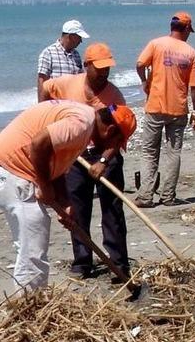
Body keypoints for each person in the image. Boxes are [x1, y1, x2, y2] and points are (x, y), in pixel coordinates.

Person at [0, 100, 136, 290]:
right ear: (110, 130)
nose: (110, 150)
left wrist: (65, 203)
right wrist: (44, 185)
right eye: (115, 143)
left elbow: (53, 161)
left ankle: (33, 303)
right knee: (32, 251)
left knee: (32, 246)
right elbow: (38, 145)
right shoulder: (81, 124)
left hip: (9, 170)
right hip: (12, 171)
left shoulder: (84, 121)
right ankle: (29, 309)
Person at [40, 43, 130, 279]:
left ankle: (118, 264)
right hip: (74, 156)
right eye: (99, 68)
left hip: (105, 153)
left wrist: (102, 160)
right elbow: (45, 88)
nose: (104, 73)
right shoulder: (67, 84)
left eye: (107, 69)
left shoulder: (113, 96)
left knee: (112, 211)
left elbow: (120, 134)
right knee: (77, 210)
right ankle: (82, 262)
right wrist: (46, 117)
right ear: (86, 66)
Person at [134, 11, 195, 208]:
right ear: (187, 28)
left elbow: (140, 64)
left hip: (155, 106)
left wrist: (145, 82)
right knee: (173, 153)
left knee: (149, 152)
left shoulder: (156, 44)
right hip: (178, 109)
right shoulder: (191, 53)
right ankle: (168, 196)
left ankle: (146, 196)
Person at [36, 19, 90, 101]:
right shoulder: (48, 53)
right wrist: (41, 107)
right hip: (55, 105)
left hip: (73, 103)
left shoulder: (76, 55)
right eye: (79, 37)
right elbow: (42, 82)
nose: (81, 41)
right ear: (71, 37)